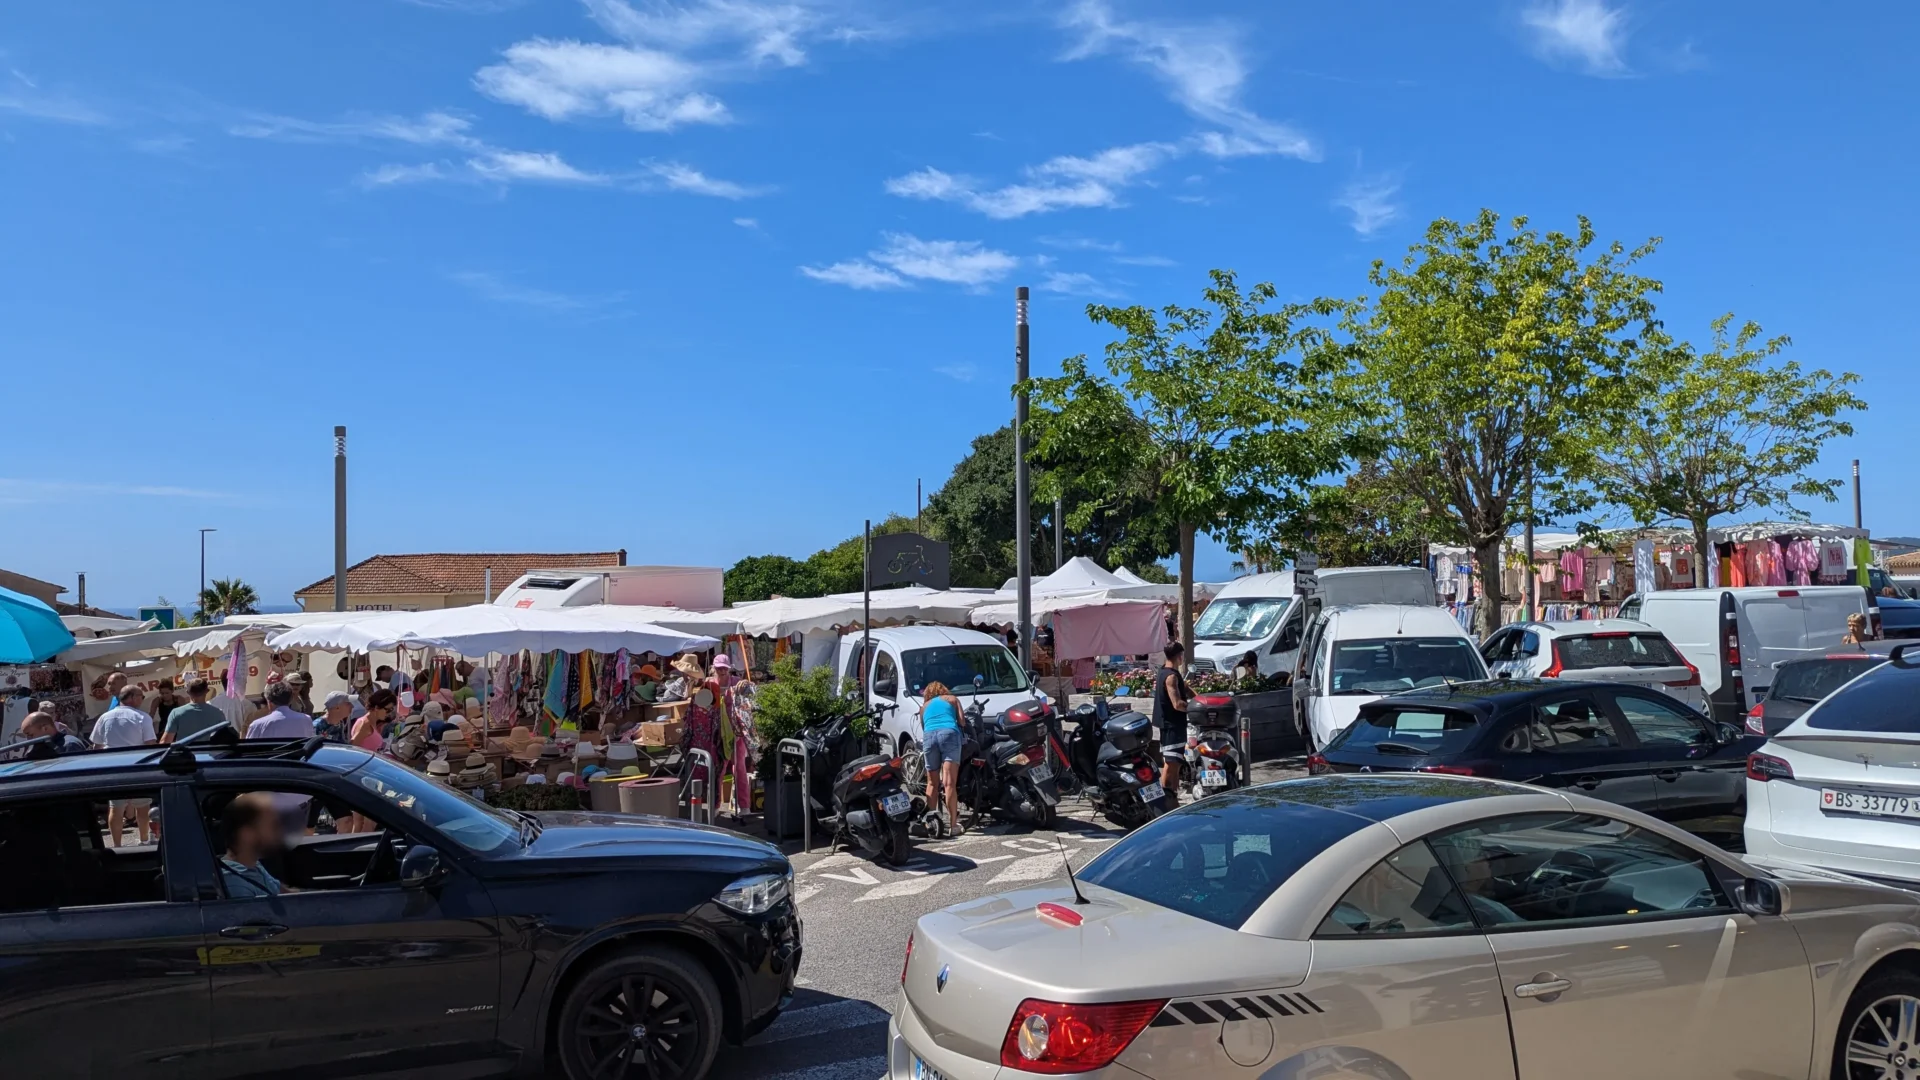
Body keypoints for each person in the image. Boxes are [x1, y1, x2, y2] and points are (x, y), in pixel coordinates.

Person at [247, 683, 315, 837]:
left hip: (270, 791)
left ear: (268, 701)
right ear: (291, 699)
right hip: (299, 789)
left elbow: (250, 757)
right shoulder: (305, 720)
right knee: (296, 839)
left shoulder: (257, 725)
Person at [93, 686, 159, 845]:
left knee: (116, 808)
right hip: (138, 768)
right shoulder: (142, 717)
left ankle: (116, 845)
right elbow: (151, 744)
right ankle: (144, 841)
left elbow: (97, 747)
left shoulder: (105, 717)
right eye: (141, 696)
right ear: (132, 697)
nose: (142, 699)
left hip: (113, 769)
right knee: (142, 807)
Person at [217, 792, 289, 898]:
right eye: (272, 826)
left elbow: (284, 892)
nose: (279, 832)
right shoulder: (237, 886)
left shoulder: (252, 864)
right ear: (247, 834)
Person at [918, 680, 965, 836]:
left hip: (929, 737)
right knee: (949, 783)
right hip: (949, 734)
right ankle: (953, 825)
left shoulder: (923, 707)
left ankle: (932, 823)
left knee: (932, 782)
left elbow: (925, 727)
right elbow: (962, 721)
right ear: (944, 690)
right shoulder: (952, 699)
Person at [1153, 642, 1190, 807]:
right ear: (1179, 656)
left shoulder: (1163, 671)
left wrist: (1200, 698)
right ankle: (1165, 798)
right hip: (1172, 724)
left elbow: (1186, 688)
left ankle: (1172, 796)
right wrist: (1194, 708)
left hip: (1169, 724)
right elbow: (1177, 704)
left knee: (1175, 762)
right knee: (1171, 762)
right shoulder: (1171, 677)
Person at [162, 679, 230, 744]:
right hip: (209, 754)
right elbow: (224, 740)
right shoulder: (218, 713)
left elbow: (165, 742)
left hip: (185, 754)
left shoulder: (176, 713)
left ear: (188, 692)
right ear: (207, 691)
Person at [17, 712, 84, 753]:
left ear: (45, 728)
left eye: (31, 735)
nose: (28, 739)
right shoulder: (44, 747)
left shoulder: (70, 745)